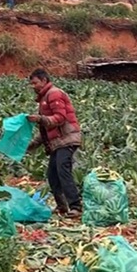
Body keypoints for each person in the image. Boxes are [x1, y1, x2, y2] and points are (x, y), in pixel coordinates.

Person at [26, 69, 83, 217]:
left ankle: (75, 206)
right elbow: (46, 129)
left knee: (63, 170)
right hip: (57, 142)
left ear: (44, 80)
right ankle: (62, 206)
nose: (33, 86)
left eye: (35, 83)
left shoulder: (54, 94)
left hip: (67, 139)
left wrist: (40, 119)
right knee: (52, 174)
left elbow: (60, 118)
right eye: (31, 84)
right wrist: (31, 145)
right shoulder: (44, 98)